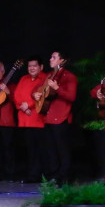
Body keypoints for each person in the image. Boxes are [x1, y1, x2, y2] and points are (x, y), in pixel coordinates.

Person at [35, 51, 77, 185]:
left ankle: (64, 177)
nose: (50, 59)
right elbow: (38, 89)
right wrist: (35, 94)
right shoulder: (49, 75)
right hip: (48, 117)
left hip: (61, 117)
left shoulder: (69, 77)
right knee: (51, 150)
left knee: (62, 150)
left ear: (62, 61)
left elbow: (71, 97)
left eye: (54, 57)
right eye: (51, 57)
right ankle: (53, 176)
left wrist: (57, 88)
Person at [13, 56, 47, 183]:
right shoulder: (23, 78)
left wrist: (29, 105)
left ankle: (39, 175)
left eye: (34, 66)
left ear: (41, 67)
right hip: (24, 120)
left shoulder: (45, 78)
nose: (31, 68)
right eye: (29, 66)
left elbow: (43, 95)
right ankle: (31, 175)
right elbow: (16, 95)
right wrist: (22, 107)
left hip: (38, 120)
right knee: (29, 149)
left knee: (40, 150)